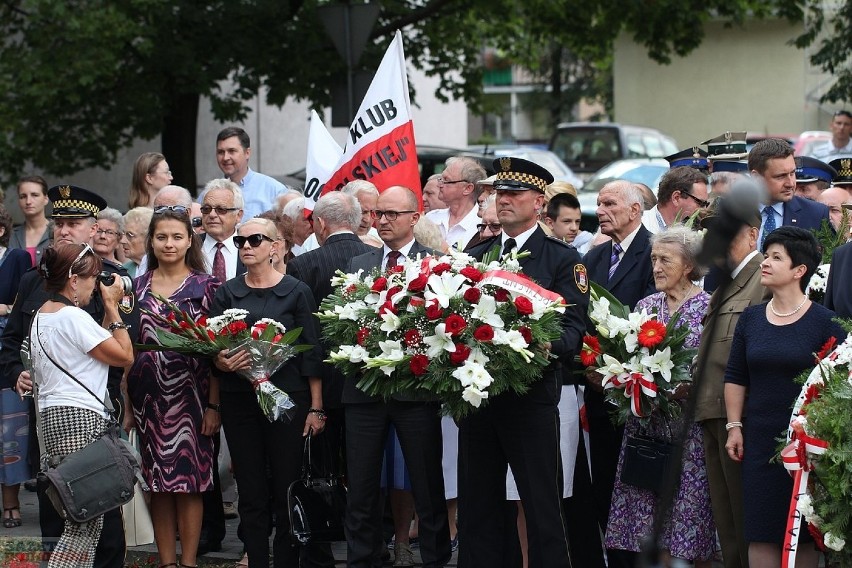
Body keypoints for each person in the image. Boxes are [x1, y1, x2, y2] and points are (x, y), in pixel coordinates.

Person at [460, 157, 588, 567]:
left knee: (541, 503)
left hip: (530, 396)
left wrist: (546, 345)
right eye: (500, 193)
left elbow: (575, 328)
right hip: (479, 397)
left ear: (538, 202)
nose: (504, 201)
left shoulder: (561, 258)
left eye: (515, 194)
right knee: (478, 503)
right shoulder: (477, 252)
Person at [0, 185, 138, 568]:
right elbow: (13, 343)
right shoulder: (38, 284)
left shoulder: (110, 276)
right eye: (58, 223)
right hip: (65, 413)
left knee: (100, 521)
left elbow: (132, 341)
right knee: (68, 515)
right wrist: (18, 375)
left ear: (94, 229)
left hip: (95, 404)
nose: (62, 230)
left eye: (73, 224)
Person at [725, 226, 846, 567]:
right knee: (761, 531)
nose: (765, 262)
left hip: (806, 445)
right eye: (766, 255)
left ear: (799, 271)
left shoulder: (827, 323)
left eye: (776, 257)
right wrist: (734, 425)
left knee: (802, 532)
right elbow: (736, 376)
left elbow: (837, 387)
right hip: (758, 440)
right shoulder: (751, 319)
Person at [210, 217, 326, 568]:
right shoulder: (227, 292)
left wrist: (317, 407)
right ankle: (257, 558)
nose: (246, 246)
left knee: (287, 486)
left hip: (289, 401)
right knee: (250, 486)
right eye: (240, 241)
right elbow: (211, 348)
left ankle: (288, 560)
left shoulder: (296, 290)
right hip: (239, 400)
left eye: (255, 240)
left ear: (275, 246)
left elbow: (311, 351)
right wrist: (222, 361)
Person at [345, 186, 450, 568]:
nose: (383, 220)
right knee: (360, 486)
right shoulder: (358, 263)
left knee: (426, 484)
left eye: (392, 213)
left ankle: (436, 558)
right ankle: (363, 560)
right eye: (378, 214)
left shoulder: (435, 264)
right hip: (363, 392)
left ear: (414, 217)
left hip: (416, 390)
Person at [604, 225, 716, 566]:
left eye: (665, 259)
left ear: (689, 264)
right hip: (646, 429)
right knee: (648, 522)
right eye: (653, 259)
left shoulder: (709, 307)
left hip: (689, 434)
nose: (656, 267)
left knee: (688, 520)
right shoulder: (646, 305)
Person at [24, 242, 134, 567]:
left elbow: (91, 349)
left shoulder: (42, 315)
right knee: (92, 520)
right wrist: (113, 308)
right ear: (74, 280)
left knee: (74, 516)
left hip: (53, 423)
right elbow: (124, 354)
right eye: (92, 279)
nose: (94, 287)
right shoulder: (73, 317)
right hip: (81, 423)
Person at [126, 207, 221, 568]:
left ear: (189, 240)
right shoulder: (137, 287)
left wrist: (214, 406)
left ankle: (189, 562)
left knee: (190, 483)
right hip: (148, 402)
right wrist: (128, 407)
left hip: (192, 402)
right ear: (151, 240)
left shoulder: (207, 287)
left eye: (177, 236)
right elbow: (127, 348)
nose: (169, 243)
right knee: (158, 485)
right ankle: (166, 563)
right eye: (161, 236)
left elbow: (217, 353)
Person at [580, 180, 656, 568]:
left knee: (640, 481)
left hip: (641, 387)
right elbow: (583, 318)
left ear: (635, 210)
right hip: (599, 387)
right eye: (598, 204)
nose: (601, 210)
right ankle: (614, 555)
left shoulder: (655, 252)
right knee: (606, 477)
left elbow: (653, 314)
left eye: (609, 203)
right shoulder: (593, 259)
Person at [693, 205, 768, 568]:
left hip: (738, 417)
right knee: (727, 524)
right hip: (710, 411)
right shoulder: (725, 282)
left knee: (745, 521)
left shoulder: (762, 278)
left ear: (753, 233)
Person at [0, 206, 33, 529]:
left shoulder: (17, 259)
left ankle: (11, 503)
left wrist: (4, 307)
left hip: (4, 352)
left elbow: (20, 306)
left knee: (10, 430)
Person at [750, 139, 831, 251]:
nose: (790, 183)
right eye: (780, 176)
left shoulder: (816, 214)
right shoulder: (733, 212)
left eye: (792, 173)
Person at [215, 126, 286, 220]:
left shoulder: (275, 191)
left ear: (247, 153)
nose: (225, 157)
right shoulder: (209, 193)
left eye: (232, 151)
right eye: (220, 152)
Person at [426, 157, 487, 250]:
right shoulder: (430, 218)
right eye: (440, 179)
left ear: (468, 188)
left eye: (446, 180)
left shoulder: (483, 225)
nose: (439, 185)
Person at [200, 179, 245, 283]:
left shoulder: (250, 246)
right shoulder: (189, 246)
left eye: (221, 210)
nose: (212, 215)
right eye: (206, 209)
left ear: (238, 215)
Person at [642, 166, 710, 234]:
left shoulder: (700, 231)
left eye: (706, 204)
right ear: (676, 198)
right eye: (700, 203)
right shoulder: (640, 225)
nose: (704, 209)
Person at [10, 175, 51, 267]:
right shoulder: (10, 236)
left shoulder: (59, 232)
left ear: (46, 199)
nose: (28, 201)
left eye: (34, 195)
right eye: (23, 196)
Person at [121, 207, 154, 278]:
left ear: (149, 239)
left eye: (130, 235)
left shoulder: (164, 270)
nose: (122, 241)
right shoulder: (122, 271)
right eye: (123, 233)